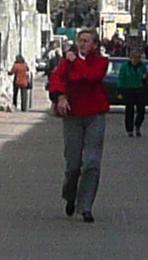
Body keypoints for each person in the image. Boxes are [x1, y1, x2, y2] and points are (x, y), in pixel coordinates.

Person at [47, 32, 112, 221]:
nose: (82, 44)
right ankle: (70, 195)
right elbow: (56, 78)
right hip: (73, 114)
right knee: (73, 163)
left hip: (94, 114)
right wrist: (59, 96)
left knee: (92, 162)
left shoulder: (101, 61)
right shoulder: (66, 61)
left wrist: (76, 61)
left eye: (87, 41)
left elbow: (91, 76)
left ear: (94, 45)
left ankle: (85, 206)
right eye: (80, 41)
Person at [113, 50, 148, 137]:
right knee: (129, 110)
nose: (135, 60)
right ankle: (129, 129)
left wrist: (145, 77)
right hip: (128, 89)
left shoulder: (142, 66)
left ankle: (137, 125)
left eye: (137, 58)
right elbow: (121, 79)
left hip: (139, 89)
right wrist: (119, 91)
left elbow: (146, 75)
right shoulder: (125, 66)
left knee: (141, 110)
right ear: (130, 58)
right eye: (133, 58)